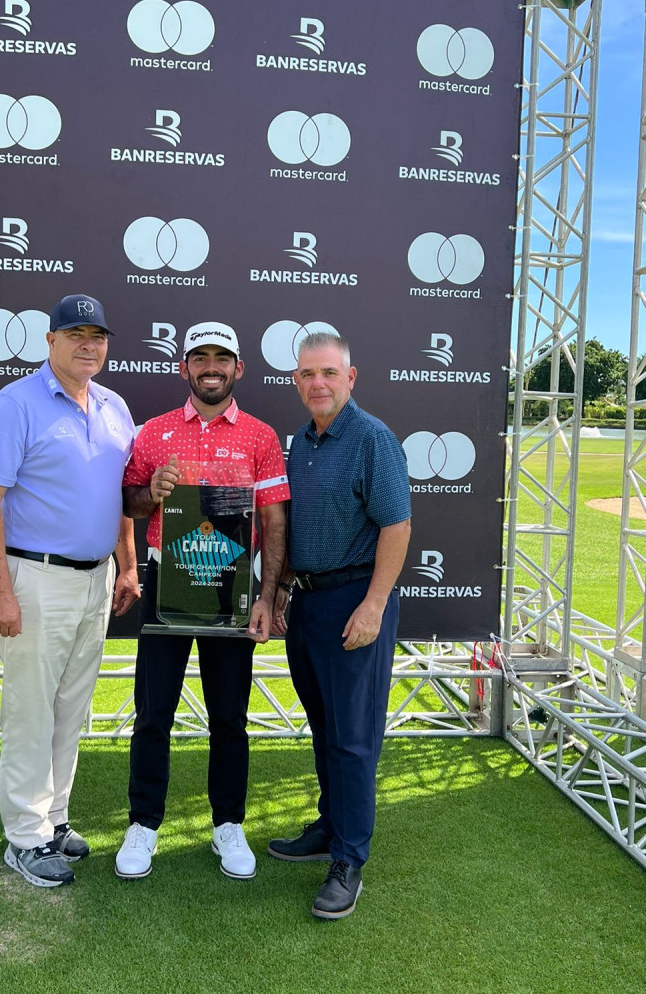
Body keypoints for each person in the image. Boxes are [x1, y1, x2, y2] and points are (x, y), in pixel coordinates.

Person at [0, 293, 139, 888]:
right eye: (76, 335)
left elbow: (119, 495)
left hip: (97, 579)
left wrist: (128, 565)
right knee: (31, 711)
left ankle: (54, 820)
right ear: (51, 341)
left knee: (71, 709)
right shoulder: (13, 405)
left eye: (98, 336)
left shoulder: (116, 406)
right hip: (34, 578)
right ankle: (23, 836)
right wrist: (0, 590)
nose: (88, 345)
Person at [115, 321, 289, 881]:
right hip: (169, 587)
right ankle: (144, 823)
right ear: (183, 367)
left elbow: (273, 519)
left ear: (239, 368)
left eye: (222, 358)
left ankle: (227, 825)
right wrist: (151, 493)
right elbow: (131, 503)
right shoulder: (155, 432)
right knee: (153, 714)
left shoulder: (260, 437)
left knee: (230, 718)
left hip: (232, 592)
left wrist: (268, 595)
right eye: (200, 357)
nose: (210, 367)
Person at [269, 332, 411, 920]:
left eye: (329, 372)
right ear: (296, 381)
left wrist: (374, 605)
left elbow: (396, 527)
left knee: (353, 737)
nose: (318, 383)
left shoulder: (373, 437)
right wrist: (279, 593)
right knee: (325, 726)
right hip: (308, 603)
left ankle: (350, 858)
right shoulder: (299, 443)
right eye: (307, 374)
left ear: (350, 378)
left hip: (356, 601)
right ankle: (331, 827)